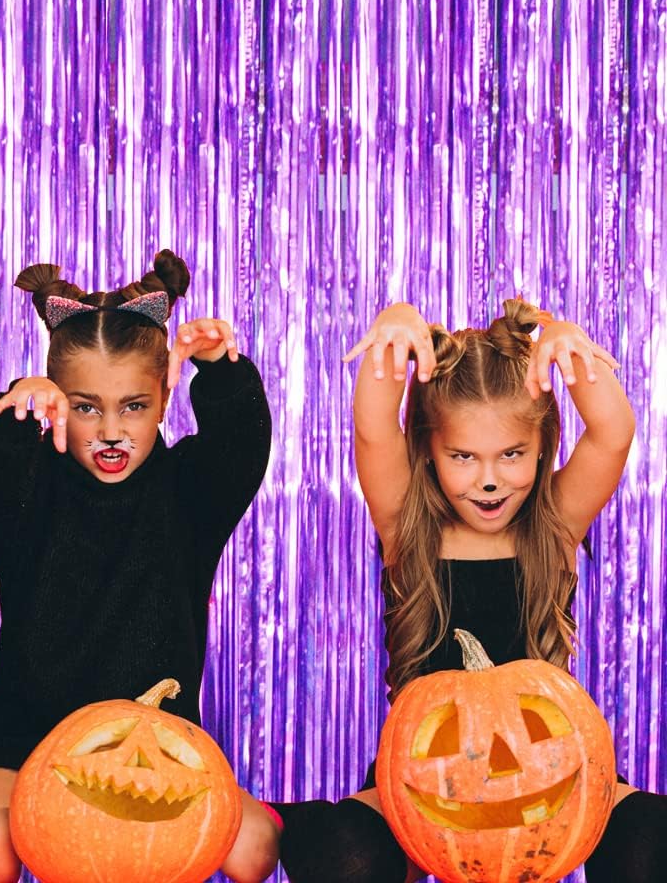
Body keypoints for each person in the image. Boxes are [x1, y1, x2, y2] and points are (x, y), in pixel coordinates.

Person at [275, 299, 665, 882]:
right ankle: (280, 821)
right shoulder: (406, 526)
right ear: (429, 452)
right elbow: (373, 429)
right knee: (346, 856)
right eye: (463, 457)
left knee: (649, 842)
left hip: (548, 766)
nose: (488, 480)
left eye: (512, 455)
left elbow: (613, 434)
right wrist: (397, 327)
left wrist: (567, 343)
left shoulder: (555, 523)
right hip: (425, 770)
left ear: (542, 445)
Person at [0, 253, 280, 883]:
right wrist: (15, 412)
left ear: (163, 401)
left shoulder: (188, 496)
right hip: (27, 741)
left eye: (132, 407)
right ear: (58, 404)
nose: (110, 432)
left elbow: (241, 442)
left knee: (252, 847)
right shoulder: (29, 497)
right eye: (85, 407)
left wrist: (220, 369)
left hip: (157, 746)